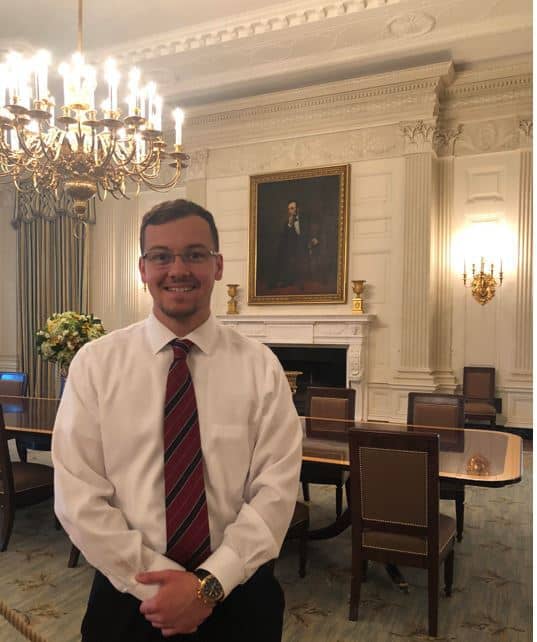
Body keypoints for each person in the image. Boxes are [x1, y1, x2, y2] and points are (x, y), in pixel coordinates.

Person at [52, 198, 303, 642]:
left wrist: (207, 586)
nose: (178, 269)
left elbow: (276, 493)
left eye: (194, 254)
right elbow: (78, 497)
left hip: (238, 595)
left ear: (218, 265)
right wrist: (160, 581)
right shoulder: (95, 364)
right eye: (161, 256)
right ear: (143, 269)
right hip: (130, 598)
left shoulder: (261, 368)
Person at [274, 200, 319, 289]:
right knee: (283, 251)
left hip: (305, 244)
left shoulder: (305, 219)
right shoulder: (287, 222)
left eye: (292, 208)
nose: (291, 211)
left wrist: (313, 238)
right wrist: (290, 225)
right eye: (289, 209)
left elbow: (310, 231)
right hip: (293, 247)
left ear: (297, 209)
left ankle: (306, 280)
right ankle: (286, 280)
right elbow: (285, 238)